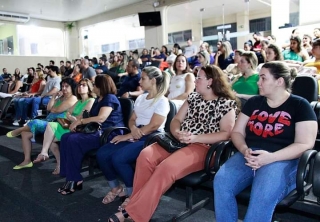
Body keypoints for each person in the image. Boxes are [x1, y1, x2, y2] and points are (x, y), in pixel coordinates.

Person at [107, 65, 237, 222]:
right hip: (178, 140)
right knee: (145, 155)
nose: (195, 80)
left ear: (210, 81)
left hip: (203, 146)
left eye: (199, 78)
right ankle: (136, 202)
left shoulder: (226, 104)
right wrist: (176, 132)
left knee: (166, 167)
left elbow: (226, 133)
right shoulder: (193, 97)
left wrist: (195, 138)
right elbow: (176, 120)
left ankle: (134, 213)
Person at [214, 61, 317, 222]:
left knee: (263, 192)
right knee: (221, 182)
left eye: (263, 78)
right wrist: (244, 149)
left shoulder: (300, 105)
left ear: (279, 81)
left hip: (283, 158)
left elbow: (305, 144)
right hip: (250, 154)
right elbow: (237, 131)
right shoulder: (255, 102)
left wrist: (270, 158)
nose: (258, 82)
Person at [97, 66, 170, 208]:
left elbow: (154, 125)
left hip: (152, 138)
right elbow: (132, 119)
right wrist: (133, 129)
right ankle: (116, 188)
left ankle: (133, 194)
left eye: (143, 78)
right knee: (102, 154)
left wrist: (132, 134)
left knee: (119, 158)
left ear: (153, 80)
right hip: (136, 133)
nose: (140, 81)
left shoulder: (162, 101)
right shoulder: (141, 98)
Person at [57, 75, 124, 195]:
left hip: (108, 133)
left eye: (94, 84)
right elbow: (90, 117)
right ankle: (72, 176)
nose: (92, 86)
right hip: (96, 131)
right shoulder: (99, 99)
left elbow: (101, 118)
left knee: (74, 140)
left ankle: (73, 178)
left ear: (100, 86)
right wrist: (78, 122)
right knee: (66, 137)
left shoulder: (110, 98)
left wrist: (80, 121)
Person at [7, 78, 78, 169]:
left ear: (72, 87)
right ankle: (27, 161)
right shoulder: (61, 98)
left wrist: (54, 108)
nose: (63, 88)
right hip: (48, 121)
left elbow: (56, 110)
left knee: (35, 122)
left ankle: (18, 130)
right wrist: (53, 97)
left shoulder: (73, 98)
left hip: (58, 125)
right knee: (25, 134)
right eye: (62, 86)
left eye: (66, 86)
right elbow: (49, 108)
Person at [33, 79, 96, 174]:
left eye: (83, 85)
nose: (80, 87)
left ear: (89, 88)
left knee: (50, 132)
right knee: (50, 138)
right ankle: (57, 162)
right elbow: (67, 114)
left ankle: (46, 154)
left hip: (80, 128)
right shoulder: (78, 101)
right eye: (79, 85)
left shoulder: (90, 100)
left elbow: (81, 117)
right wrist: (72, 117)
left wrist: (72, 117)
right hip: (70, 125)